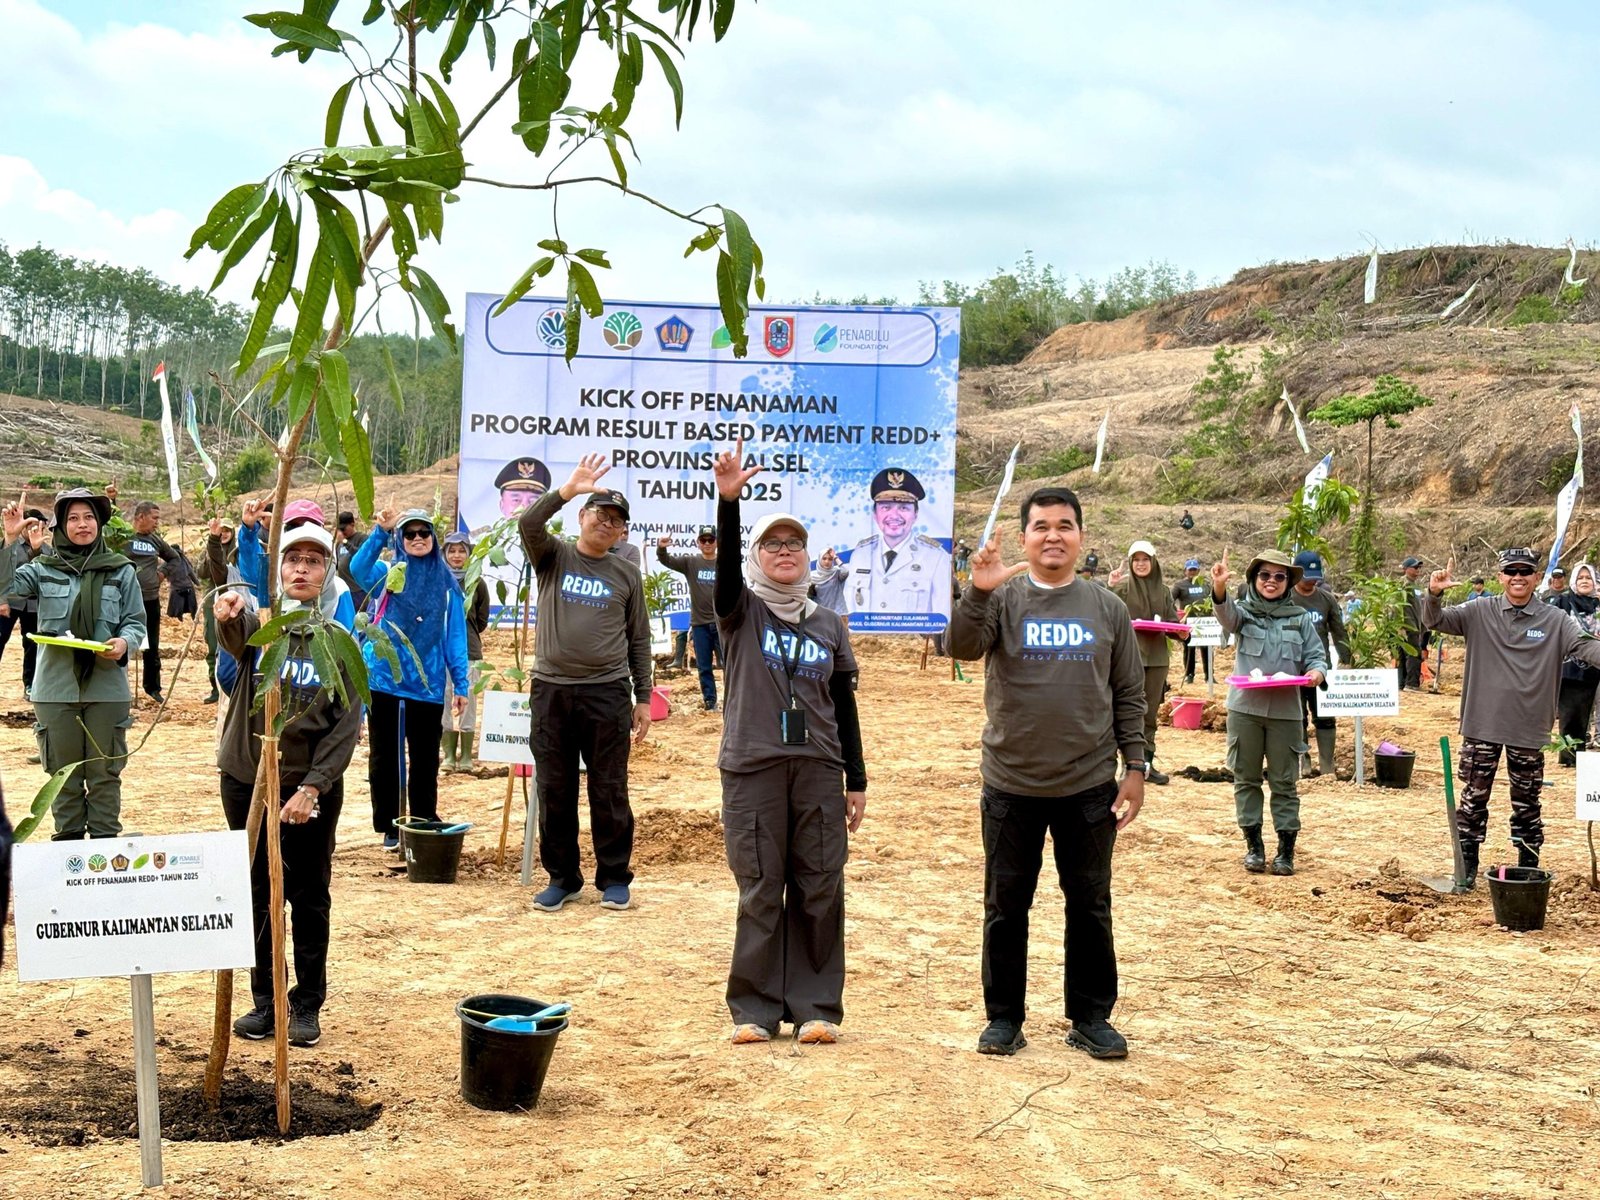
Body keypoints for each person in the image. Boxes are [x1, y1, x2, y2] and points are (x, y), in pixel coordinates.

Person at [948, 486, 1146, 1060]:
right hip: (1010, 784)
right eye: (1041, 527)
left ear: (1081, 537)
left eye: (1064, 526)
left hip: (1089, 786)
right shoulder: (1002, 599)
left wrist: (1136, 767)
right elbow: (959, 647)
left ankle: (1090, 1017)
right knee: (1005, 907)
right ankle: (1004, 1018)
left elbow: (1129, 693)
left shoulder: (1107, 608)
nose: (1053, 536)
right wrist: (977, 592)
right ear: (1025, 538)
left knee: (1090, 906)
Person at [711, 440, 867, 1045]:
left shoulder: (828, 624)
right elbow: (726, 580)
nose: (784, 551)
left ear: (807, 557)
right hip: (753, 766)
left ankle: (816, 1006)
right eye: (772, 544)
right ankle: (754, 1009)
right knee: (759, 886)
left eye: (793, 544)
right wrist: (729, 504)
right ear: (756, 556)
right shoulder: (740, 612)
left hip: (820, 768)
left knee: (820, 884)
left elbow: (844, 704)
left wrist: (856, 779)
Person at [216, 524, 360, 1048]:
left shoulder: (340, 643)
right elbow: (233, 637)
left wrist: (313, 788)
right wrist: (227, 614)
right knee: (256, 893)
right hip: (247, 781)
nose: (301, 568)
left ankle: (306, 1004)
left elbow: (346, 726)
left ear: (328, 573)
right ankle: (266, 1001)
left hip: (307, 790)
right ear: (278, 569)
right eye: (292, 558)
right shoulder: (263, 631)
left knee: (308, 894)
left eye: (313, 560)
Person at [519, 457, 654, 912]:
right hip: (551, 691)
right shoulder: (553, 556)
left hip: (607, 692)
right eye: (600, 514)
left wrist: (643, 696)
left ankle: (614, 877)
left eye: (616, 521)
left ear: (622, 532)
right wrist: (566, 490)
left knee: (609, 788)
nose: (606, 524)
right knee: (555, 788)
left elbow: (639, 638)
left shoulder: (626, 574)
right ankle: (563, 878)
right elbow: (528, 523)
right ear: (582, 516)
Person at [1422, 549, 1600, 882]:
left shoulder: (1555, 620)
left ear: (1536, 577)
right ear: (1500, 577)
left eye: (1525, 571)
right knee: (1473, 800)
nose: (1518, 577)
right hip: (1482, 725)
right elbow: (1435, 621)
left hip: (1529, 728)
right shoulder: (1478, 611)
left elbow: (1587, 647)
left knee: (1528, 803)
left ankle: (1528, 866)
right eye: (1511, 571)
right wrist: (1433, 594)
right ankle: (1466, 867)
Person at [4, 490, 145, 840]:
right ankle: (68, 853)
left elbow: (135, 621)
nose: (83, 525)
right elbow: (5, 590)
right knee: (62, 777)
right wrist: (9, 540)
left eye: (89, 517)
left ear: (99, 523)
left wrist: (123, 642)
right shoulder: (42, 569)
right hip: (55, 688)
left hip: (106, 688)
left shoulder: (120, 570)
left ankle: (104, 850)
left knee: (105, 776)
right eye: (73, 518)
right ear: (61, 527)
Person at [349, 507, 470, 849]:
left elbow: (455, 637)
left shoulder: (447, 586)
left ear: (433, 538)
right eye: (410, 533)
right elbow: (357, 569)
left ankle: (421, 820)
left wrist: (460, 684)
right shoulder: (389, 573)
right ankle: (390, 825)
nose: (418, 538)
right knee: (384, 757)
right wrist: (380, 531)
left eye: (424, 532)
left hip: (427, 684)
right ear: (400, 539)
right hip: (384, 679)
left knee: (425, 758)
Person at [1214, 549, 1327, 877]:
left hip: (1285, 713)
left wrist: (1316, 673)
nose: (1271, 581)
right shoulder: (1243, 613)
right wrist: (1219, 587)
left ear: (1288, 582)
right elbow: (1225, 615)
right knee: (1246, 778)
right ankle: (1254, 847)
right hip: (1245, 710)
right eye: (1264, 575)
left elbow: (1316, 656)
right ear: (1254, 579)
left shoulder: (1299, 618)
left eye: (1279, 576)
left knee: (1284, 782)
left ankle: (1285, 852)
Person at [1108, 540, 1189, 785]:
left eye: (1145, 560)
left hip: (1156, 659)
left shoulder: (1163, 591)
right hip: (1126, 658)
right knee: (1125, 710)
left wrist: (1182, 632)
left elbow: (1172, 624)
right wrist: (1110, 588)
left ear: (1153, 562)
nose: (1141, 564)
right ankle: (1126, 766)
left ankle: (1146, 765)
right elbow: (1107, 615)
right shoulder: (1121, 588)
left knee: (1149, 713)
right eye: (1136, 560)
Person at [837, 468, 953, 616]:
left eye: (903, 508)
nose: (894, 515)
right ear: (875, 514)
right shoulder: (860, 554)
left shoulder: (936, 558)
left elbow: (942, 618)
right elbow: (849, 611)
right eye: (886, 507)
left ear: (915, 514)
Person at [1289, 552, 1350, 777]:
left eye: (1316, 577)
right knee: (1297, 717)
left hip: (1321, 669)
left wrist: (1347, 659)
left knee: (1325, 716)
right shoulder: (1286, 598)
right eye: (1307, 577)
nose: (1312, 582)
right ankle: (1302, 761)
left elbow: (1339, 631)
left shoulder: (1326, 599)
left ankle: (1326, 765)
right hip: (1292, 669)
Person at [657, 525, 722, 710]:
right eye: (703, 540)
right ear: (698, 543)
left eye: (711, 539)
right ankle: (710, 702)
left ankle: (733, 701)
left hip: (721, 625)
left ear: (717, 542)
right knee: (704, 667)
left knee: (730, 666)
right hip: (700, 624)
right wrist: (661, 548)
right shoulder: (690, 562)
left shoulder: (724, 563)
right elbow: (666, 560)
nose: (707, 543)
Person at [441, 531, 490, 772]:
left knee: (468, 699)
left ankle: (467, 756)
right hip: (440, 652)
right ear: (444, 554)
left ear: (469, 553)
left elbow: (481, 620)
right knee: (443, 698)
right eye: (452, 551)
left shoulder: (477, 583)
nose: (457, 555)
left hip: (470, 651)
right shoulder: (437, 580)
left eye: (462, 550)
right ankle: (449, 755)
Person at [1548, 563, 1600, 767]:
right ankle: (1570, 757)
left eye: (1589, 578)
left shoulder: (1598, 603)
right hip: (1572, 668)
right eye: (1580, 578)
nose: (1584, 581)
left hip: (1597, 666)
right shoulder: (1562, 601)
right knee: (1572, 715)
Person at [127, 499, 179, 702]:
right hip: (125, 601)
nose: (157, 522)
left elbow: (174, 558)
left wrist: (162, 574)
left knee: (151, 645)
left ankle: (152, 688)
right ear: (141, 517)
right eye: (154, 518)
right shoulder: (123, 538)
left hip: (150, 600)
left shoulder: (155, 541)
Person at [0, 505, 47, 697]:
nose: (35, 529)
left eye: (39, 526)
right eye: (31, 525)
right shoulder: (10, 545)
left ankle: (30, 685)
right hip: (10, 602)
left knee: (32, 645)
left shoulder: (47, 551)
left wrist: (37, 550)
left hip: (34, 606)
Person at [1172, 557, 1212, 684]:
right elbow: (1170, 601)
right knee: (1189, 649)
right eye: (1190, 570)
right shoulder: (1180, 585)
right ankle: (1189, 675)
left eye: (1195, 570)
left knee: (1207, 648)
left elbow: (1212, 599)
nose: (1192, 572)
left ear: (1198, 571)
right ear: (1185, 571)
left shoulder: (1205, 584)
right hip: (1188, 623)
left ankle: (1209, 676)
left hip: (1204, 621)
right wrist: (1177, 616)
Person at [1397, 556, 1428, 690]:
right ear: (1406, 569)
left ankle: (1403, 683)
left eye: (1419, 567)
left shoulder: (1416, 586)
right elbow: (1396, 607)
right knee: (1412, 653)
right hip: (1407, 626)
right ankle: (1411, 683)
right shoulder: (1402, 585)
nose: (1418, 570)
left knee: (1408, 654)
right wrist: (1400, 626)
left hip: (1416, 625)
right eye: (1415, 567)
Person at [336, 510, 369, 612]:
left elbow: (361, 557)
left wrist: (345, 542)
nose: (342, 532)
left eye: (344, 529)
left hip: (359, 590)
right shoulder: (339, 544)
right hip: (345, 590)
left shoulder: (362, 538)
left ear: (352, 524)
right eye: (340, 529)